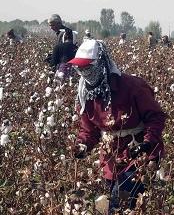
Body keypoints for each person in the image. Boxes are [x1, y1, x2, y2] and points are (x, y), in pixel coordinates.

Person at [68, 39, 166, 211]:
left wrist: (147, 143)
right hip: (110, 157)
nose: (83, 72)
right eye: (79, 68)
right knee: (116, 203)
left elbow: (156, 117)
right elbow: (89, 130)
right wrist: (82, 145)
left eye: (87, 67)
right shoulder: (85, 94)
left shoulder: (133, 86)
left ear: (101, 64)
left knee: (119, 202)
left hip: (139, 153)